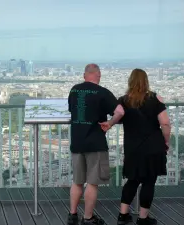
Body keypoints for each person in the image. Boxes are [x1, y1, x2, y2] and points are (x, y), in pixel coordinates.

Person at [100, 68, 171, 225]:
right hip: (153, 147)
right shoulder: (155, 99)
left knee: (132, 181)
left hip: (133, 149)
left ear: (130, 82)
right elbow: (165, 123)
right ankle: (143, 217)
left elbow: (115, 116)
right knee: (149, 182)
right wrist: (166, 141)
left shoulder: (124, 101)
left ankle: (123, 215)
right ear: (146, 81)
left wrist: (109, 123)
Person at [67, 63, 125, 225]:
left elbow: (72, 110)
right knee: (92, 182)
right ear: (98, 75)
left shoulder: (74, 90)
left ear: (84, 75)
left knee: (77, 181)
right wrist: (110, 123)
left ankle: (72, 215)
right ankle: (88, 217)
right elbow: (120, 111)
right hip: (95, 142)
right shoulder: (103, 92)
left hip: (77, 141)